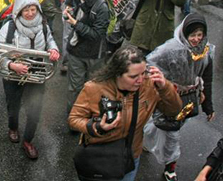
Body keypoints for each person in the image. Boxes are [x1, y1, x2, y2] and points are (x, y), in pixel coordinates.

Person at [68, 46, 182, 181]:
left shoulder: (150, 86)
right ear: (117, 73)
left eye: (143, 73)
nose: (140, 80)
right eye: (133, 76)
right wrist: (97, 127)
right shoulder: (94, 88)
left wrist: (165, 88)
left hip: (131, 155)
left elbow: (173, 110)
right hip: (100, 156)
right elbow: (74, 119)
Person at [142, 13, 215, 181]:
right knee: (171, 134)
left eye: (200, 34)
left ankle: (146, 139)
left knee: (167, 127)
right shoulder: (170, 49)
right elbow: (148, 64)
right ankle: (170, 168)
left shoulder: (206, 50)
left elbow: (207, 77)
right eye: (192, 35)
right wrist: (164, 84)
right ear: (185, 33)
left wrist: (208, 105)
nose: (196, 39)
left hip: (190, 98)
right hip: (169, 97)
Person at [0, 0, 59, 159]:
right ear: (19, 10)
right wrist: (12, 65)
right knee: (13, 106)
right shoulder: (9, 27)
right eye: (26, 10)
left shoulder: (43, 24)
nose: (30, 14)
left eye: (33, 10)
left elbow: (49, 39)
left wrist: (54, 49)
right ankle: (13, 127)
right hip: (14, 72)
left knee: (35, 109)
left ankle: (28, 140)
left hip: (36, 71)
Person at [64, 0, 111, 113]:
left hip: (94, 55)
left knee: (94, 88)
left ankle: (91, 117)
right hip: (76, 52)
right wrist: (68, 14)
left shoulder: (101, 8)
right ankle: (74, 118)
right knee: (74, 88)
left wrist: (76, 24)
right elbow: (73, 15)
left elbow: (97, 35)